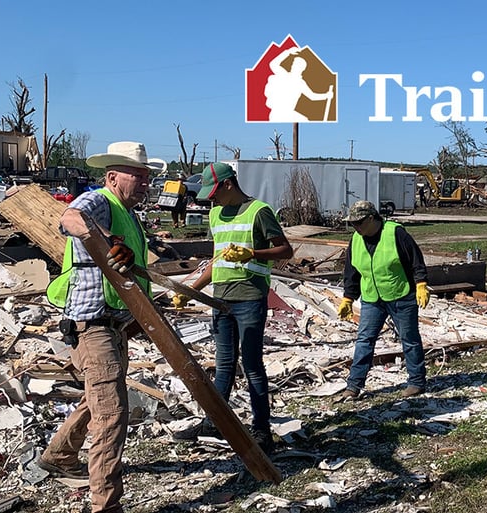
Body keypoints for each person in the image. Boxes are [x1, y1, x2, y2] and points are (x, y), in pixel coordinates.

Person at [41, 141, 157, 513]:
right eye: (136, 176)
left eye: (146, 177)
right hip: (93, 325)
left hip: (115, 323)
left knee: (98, 400)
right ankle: (105, 506)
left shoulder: (128, 213)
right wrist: (105, 239)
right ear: (112, 177)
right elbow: (69, 218)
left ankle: (59, 455)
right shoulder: (99, 202)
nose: (144, 183)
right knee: (112, 413)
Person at [171, 162, 293, 453]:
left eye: (214, 192)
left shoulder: (258, 211)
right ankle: (216, 421)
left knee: (252, 365)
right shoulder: (215, 214)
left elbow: (285, 250)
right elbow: (217, 262)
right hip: (221, 299)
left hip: (250, 296)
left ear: (228, 184)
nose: (210, 199)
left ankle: (261, 430)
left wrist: (252, 253)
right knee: (223, 364)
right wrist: (191, 291)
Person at [333, 200, 430, 401]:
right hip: (372, 298)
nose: (355, 227)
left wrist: (421, 284)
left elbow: (415, 260)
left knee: (409, 339)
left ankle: (417, 382)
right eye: (352, 224)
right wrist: (348, 298)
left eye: (358, 223)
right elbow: (351, 272)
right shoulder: (356, 239)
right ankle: (354, 385)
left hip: (400, 295)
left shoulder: (395, 233)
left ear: (371, 218)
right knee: (364, 340)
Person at [264, 46, 334, 122]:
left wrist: (326, 95)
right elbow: (273, 64)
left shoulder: (300, 83)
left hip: (288, 112)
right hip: (277, 112)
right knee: (304, 119)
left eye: (296, 65)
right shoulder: (284, 74)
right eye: (293, 64)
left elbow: (312, 96)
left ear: (302, 69)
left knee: (305, 119)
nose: (293, 66)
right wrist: (288, 52)